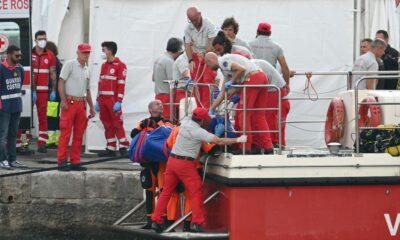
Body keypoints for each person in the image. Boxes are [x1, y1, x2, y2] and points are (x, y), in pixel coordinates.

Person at [151, 107, 247, 233]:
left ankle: (156, 220)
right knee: (196, 193)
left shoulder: (184, 122)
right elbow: (218, 141)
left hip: (172, 161)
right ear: (201, 120)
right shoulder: (198, 132)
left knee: (166, 192)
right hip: (185, 164)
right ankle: (197, 222)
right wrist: (238, 139)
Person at [206, 52, 273, 154]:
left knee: (243, 114)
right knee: (259, 115)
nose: (209, 68)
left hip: (252, 78)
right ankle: (268, 147)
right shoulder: (225, 70)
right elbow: (224, 92)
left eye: (207, 65)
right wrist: (213, 108)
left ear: (210, 60)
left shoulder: (223, 61)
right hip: (261, 76)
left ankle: (245, 148)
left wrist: (232, 81)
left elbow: (241, 69)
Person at [130, 100, 174, 229]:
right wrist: (144, 125)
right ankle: (149, 220)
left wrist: (156, 127)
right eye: (157, 104)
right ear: (150, 109)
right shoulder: (144, 122)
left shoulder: (167, 123)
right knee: (149, 191)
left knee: (162, 192)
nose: (161, 105)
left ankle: (162, 220)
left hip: (161, 164)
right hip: (148, 164)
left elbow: (170, 134)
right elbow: (133, 134)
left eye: (161, 104)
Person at [57, 43, 95, 171]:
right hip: (70, 101)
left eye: (88, 52)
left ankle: (75, 160)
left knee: (79, 134)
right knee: (66, 133)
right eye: (84, 52)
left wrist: (92, 107)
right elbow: (61, 82)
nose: (86, 55)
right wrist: (63, 100)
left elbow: (87, 90)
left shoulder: (87, 69)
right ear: (77, 52)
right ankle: (62, 160)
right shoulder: (70, 64)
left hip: (81, 103)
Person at [95, 41, 129, 157]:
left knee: (117, 124)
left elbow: (121, 84)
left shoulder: (120, 65)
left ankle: (124, 147)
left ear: (109, 50)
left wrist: (119, 101)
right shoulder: (104, 65)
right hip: (103, 100)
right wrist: (97, 100)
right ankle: (111, 148)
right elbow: (100, 83)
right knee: (107, 124)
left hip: (113, 100)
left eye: (103, 50)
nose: (102, 52)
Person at [184, 6, 217, 108]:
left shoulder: (209, 24)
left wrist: (205, 53)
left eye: (195, 19)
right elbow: (187, 45)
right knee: (196, 83)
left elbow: (213, 42)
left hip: (208, 54)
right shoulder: (188, 28)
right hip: (195, 56)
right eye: (191, 20)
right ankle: (199, 109)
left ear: (200, 14)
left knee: (207, 81)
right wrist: (190, 60)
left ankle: (206, 109)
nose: (194, 22)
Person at [0, 45, 26, 169]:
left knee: (13, 134)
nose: (19, 57)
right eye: (17, 55)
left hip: (16, 106)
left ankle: (13, 159)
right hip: (4, 107)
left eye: (20, 55)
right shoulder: (1, 68)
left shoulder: (20, 68)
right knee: (2, 135)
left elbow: (19, 85)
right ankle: (2, 159)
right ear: (9, 55)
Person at [31, 30, 57, 153]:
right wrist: (31, 90)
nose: (43, 41)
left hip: (44, 92)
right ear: (35, 40)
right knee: (26, 117)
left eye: (44, 38)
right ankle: (23, 143)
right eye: (40, 38)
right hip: (30, 92)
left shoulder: (50, 55)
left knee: (43, 118)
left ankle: (42, 143)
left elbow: (53, 73)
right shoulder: (30, 54)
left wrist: (54, 90)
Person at [249, 22, 290, 87]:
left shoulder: (249, 45)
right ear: (270, 33)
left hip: (253, 81)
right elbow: (285, 67)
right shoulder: (277, 47)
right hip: (270, 83)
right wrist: (287, 84)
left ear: (257, 32)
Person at [153, 38, 184, 122]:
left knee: (158, 121)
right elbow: (173, 82)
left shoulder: (158, 59)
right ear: (178, 50)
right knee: (167, 122)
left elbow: (153, 78)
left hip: (158, 95)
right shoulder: (170, 61)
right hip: (167, 96)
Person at [45, 41, 63, 148]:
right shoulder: (57, 62)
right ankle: (56, 140)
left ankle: (52, 140)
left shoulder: (53, 62)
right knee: (55, 117)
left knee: (51, 117)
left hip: (54, 93)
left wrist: (53, 90)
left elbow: (55, 78)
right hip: (56, 93)